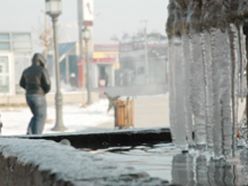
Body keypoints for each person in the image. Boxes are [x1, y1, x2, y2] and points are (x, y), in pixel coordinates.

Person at [19, 53, 51, 135]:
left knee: (36, 116)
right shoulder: (42, 70)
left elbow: (21, 83)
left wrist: (30, 90)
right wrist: (43, 91)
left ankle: (30, 133)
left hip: (28, 96)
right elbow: (47, 84)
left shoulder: (26, 70)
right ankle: (37, 136)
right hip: (39, 95)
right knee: (41, 116)